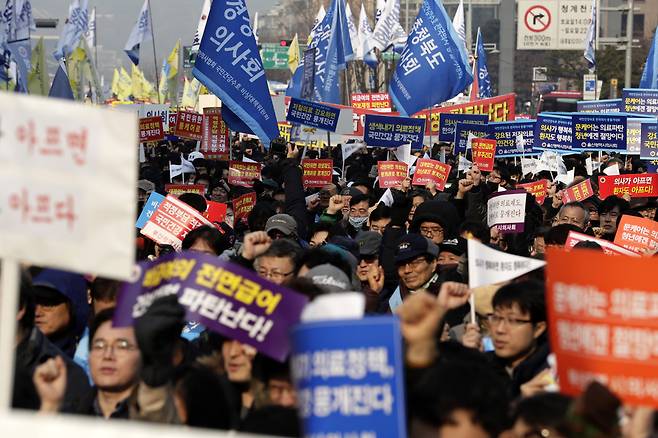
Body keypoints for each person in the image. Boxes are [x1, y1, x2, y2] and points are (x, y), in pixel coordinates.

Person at [32, 269, 90, 358]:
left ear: (73, 306)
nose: (37, 313)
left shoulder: (90, 357)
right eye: (33, 303)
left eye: (48, 304)